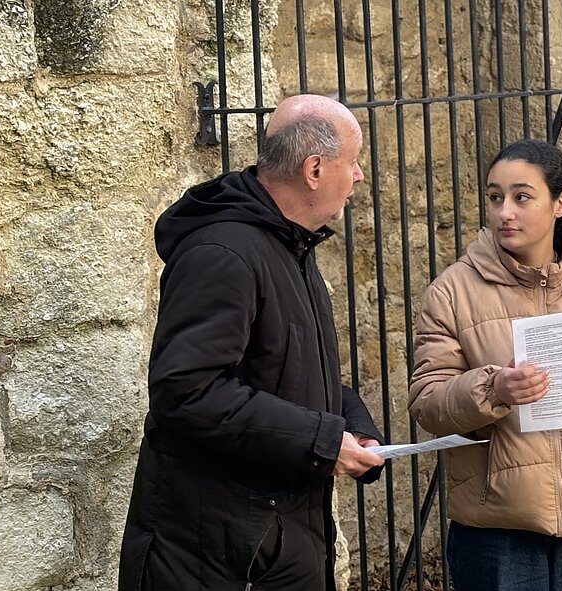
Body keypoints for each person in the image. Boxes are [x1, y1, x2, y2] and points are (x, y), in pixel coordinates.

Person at [118, 94, 386, 591]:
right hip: (215, 556)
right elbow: (187, 392)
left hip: (272, 540)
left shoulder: (290, 243)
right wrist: (322, 441)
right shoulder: (223, 253)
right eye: (352, 162)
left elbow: (291, 371)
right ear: (314, 169)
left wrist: (352, 426)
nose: (359, 176)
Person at [408, 139, 562, 591]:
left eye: (522, 197)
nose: (505, 212)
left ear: (560, 203)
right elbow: (427, 403)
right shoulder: (451, 293)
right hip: (499, 527)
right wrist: (493, 390)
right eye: (495, 197)